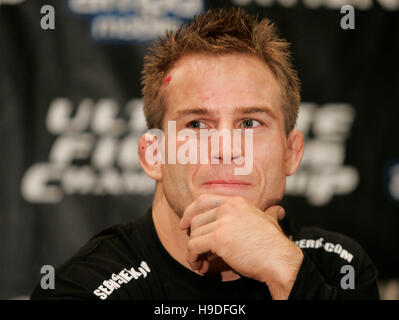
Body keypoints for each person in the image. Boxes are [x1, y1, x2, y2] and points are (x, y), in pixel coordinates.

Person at [31, 8, 379, 300]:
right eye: (197, 125)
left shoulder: (338, 268)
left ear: (291, 152)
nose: (227, 149)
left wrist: (288, 272)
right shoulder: (85, 288)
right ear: (154, 155)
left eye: (250, 123)